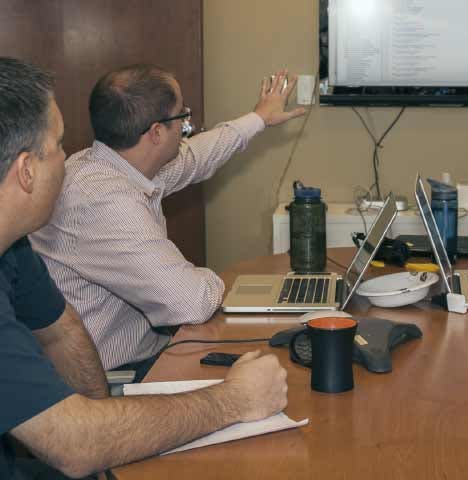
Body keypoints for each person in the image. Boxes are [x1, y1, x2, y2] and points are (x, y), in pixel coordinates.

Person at [0, 57, 288, 480]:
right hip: (91, 405)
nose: (67, 158)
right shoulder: (98, 197)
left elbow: (62, 330)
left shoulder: (13, 248)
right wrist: (234, 400)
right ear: (26, 170)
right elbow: (74, 444)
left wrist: (258, 120)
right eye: (59, 144)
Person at [31, 64, 305, 375]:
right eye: (182, 117)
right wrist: (220, 282)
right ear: (157, 133)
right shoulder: (102, 201)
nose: (188, 126)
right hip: (115, 378)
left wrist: (258, 119)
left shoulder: (105, 164)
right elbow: (190, 302)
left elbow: (193, 157)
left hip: (146, 353)